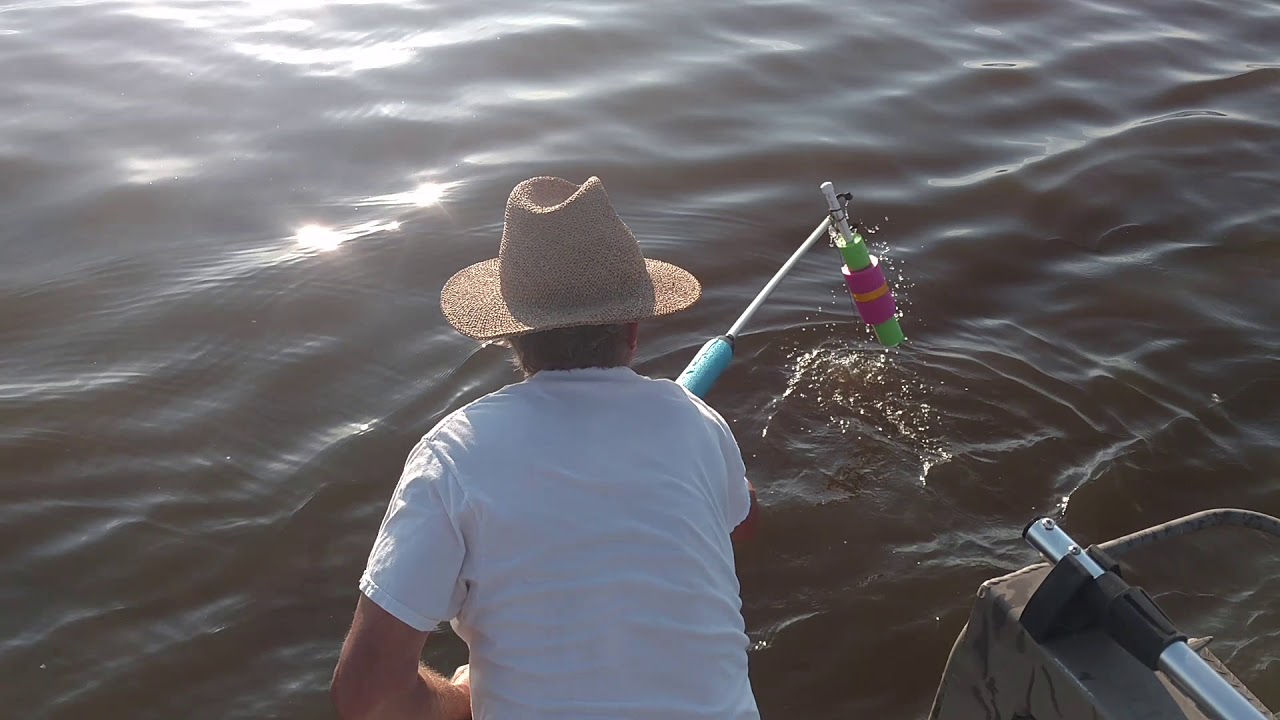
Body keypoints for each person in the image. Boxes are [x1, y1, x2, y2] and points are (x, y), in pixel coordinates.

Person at [330, 175, 760, 720]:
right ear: (633, 327)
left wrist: (461, 697)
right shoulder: (697, 424)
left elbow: (366, 696)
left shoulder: (451, 455)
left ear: (512, 334)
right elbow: (743, 521)